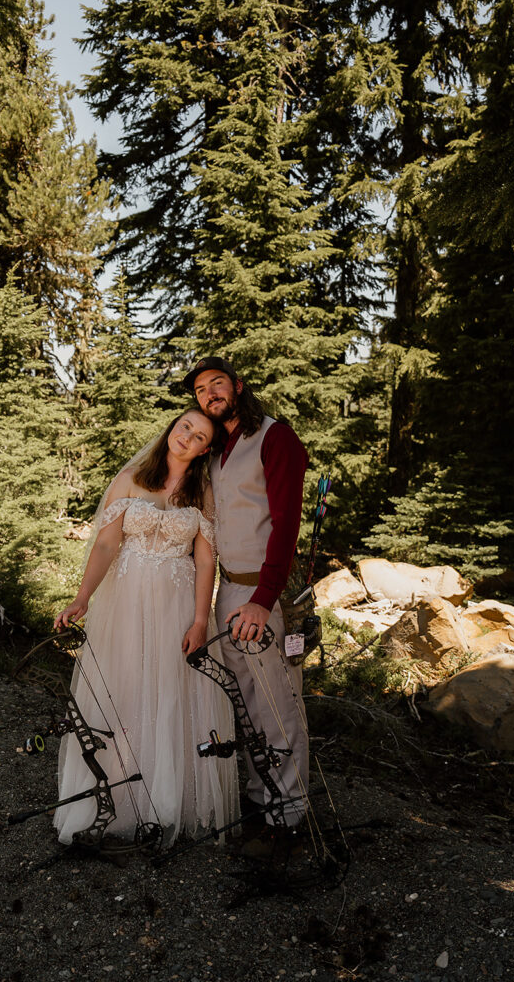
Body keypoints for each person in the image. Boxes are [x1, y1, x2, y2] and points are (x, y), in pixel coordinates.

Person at [53, 409, 238, 849]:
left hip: (176, 604)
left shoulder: (202, 492)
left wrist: (199, 619)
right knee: (123, 687)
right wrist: (82, 598)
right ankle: (110, 798)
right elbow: (105, 542)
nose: (187, 438)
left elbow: (206, 559)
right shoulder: (133, 477)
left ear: (205, 450)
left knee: (168, 692)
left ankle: (164, 801)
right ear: (172, 428)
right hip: (126, 601)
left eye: (198, 437)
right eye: (184, 427)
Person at [183, 356, 309, 857]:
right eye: (200, 390)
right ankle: (262, 800)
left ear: (238, 386)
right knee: (248, 706)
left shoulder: (276, 438)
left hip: (267, 594)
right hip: (230, 593)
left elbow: (285, 525)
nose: (210, 394)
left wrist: (262, 601)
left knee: (279, 704)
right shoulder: (217, 451)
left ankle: (291, 814)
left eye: (218, 383)